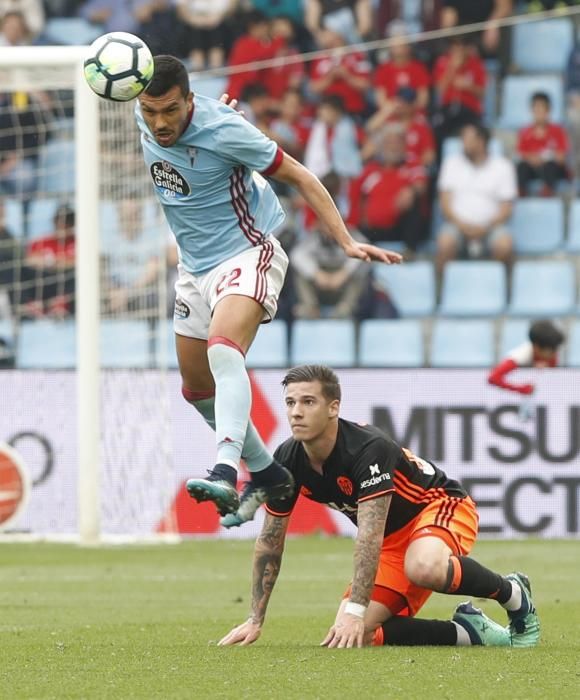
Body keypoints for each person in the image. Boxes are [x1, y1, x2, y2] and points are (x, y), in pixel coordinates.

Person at [135, 55, 401, 523]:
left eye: (171, 111)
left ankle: (224, 470)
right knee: (197, 389)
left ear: (189, 100)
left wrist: (344, 240)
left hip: (247, 252)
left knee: (224, 352)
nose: (160, 123)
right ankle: (268, 473)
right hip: (194, 269)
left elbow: (301, 175)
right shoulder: (145, 113)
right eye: (151, 111)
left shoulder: (226, 130)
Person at [218, 364, 540, 648]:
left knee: (422, 567)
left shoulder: (368, 448)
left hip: (438, 505)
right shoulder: (288, 459)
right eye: (290, 402)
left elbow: (369, 536)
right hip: (391, 541)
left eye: (308, 402)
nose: (295, 412)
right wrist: (255, 619)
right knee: (356, 635)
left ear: (333, 407)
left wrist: (355, 610)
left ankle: (511, 592)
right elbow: (271, 542)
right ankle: (469, 633)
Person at [436, 123, 516, 275]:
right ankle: (442, 292)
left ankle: (496, 288)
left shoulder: (503, 166)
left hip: (491, 227)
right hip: (457, 225)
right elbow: (445, 204)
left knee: (504, 245)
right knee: (445, 243)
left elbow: (506, 209)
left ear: (481, 141)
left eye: (467, 139)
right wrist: (463, 225)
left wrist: (485, 227)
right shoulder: (451, 163)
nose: (463, 144)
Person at [488, 320, 565, 396]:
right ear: (536, 347)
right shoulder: (519, 356)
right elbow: (493, 378)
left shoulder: (551, 349)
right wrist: (522, 389)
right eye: (551, 351)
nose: (555, 353)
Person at [516, 92, 569, 197]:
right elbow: (521, 154)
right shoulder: (525, 132)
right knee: (521, 167)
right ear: (532, 111)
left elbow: (562, 157)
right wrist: (532, 159)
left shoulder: (557, 131)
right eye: (536, 110)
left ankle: (548, 191)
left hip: (552, 171)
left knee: (550, 166)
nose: (539, 113)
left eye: (542, 109)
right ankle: (520, 191)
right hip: (533, 169)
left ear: (548, 111)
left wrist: (544, 158)